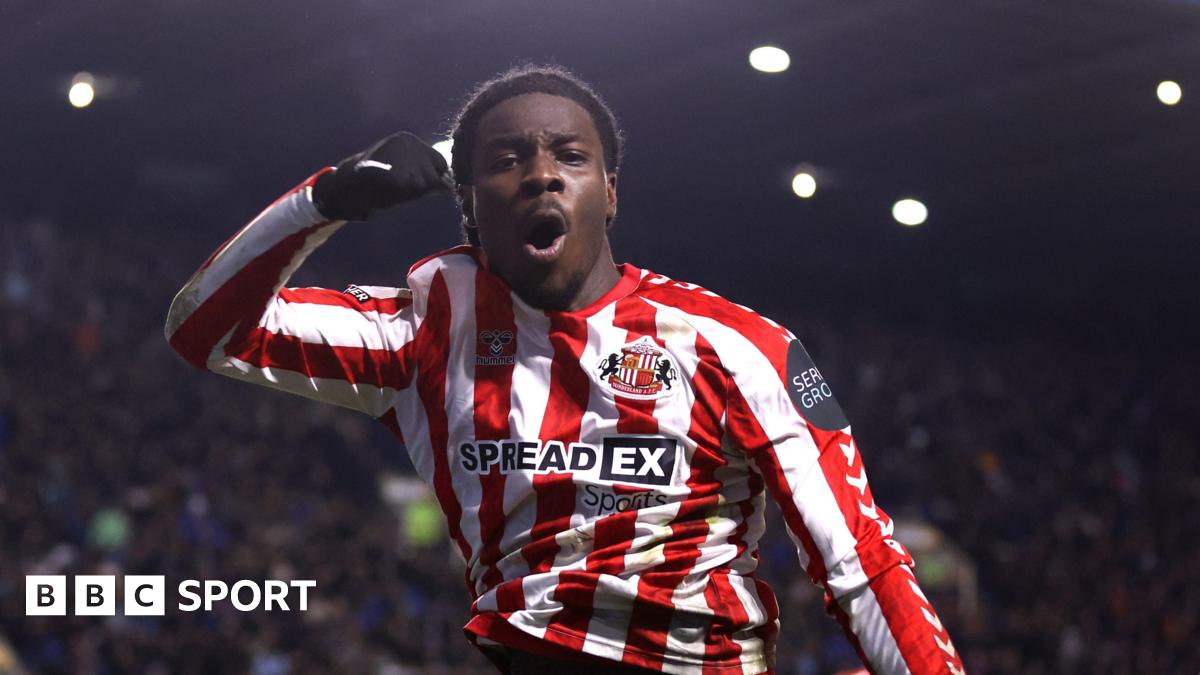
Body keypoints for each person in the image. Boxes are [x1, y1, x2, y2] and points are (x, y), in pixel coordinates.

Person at [165, 64, 964, 674]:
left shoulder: (734, 344)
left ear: (609, 193)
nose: (542, 172)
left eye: (570, 156)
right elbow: (205, 331)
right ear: (470, 203)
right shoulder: (429, 327)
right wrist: (327, 200)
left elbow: (860, 564)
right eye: (508, 159)